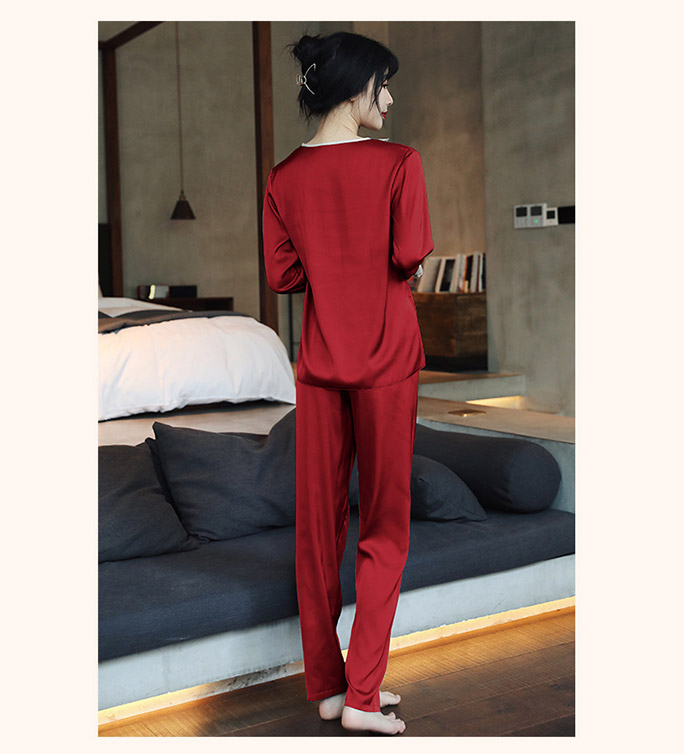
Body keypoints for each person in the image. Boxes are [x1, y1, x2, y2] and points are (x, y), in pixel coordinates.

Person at [262, 31, 434, 735]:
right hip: (388, 363)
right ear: (354, 87)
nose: (388, 100)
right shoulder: (399, 163)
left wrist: (329, 264)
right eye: (381, 86)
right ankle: (364, 695)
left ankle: (330, 689)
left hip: (319, 368)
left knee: (317, 531)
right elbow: (411, 251)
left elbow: (282, 275)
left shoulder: (282, 178)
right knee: (384, 528)